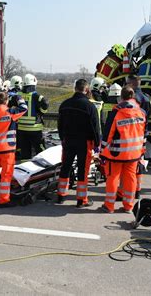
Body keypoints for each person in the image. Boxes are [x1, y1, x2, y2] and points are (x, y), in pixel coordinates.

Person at [100, 86, 146, 213]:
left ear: (121, 97)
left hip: (116, 152)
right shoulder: (141, 112)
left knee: (113, 177)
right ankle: (128, 206)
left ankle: (109, 206)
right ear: (133, 97)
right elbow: (144, 133)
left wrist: (102, 151)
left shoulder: (116, 112)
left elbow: (108, 133)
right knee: (130, 178)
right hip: (134, 153)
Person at [57, 79, 101, 207]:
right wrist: (97, 144)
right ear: (86, 90)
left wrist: (62, 138)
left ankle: (61, 196)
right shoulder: (90, 106)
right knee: (83, 170)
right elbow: (95, 127)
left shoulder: (65, 104)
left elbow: (59, 125)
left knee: (65, 167)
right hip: (84, 142)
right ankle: (81, 200)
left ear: (75, 88)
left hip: (68, 140)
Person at [0, 92, 27, 207]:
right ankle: (3, 200)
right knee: (6, 175)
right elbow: (24, 108)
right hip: (7, 149)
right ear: (6, 101)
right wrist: (18, 97)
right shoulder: (10, 112)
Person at [17, 73, 49, 162]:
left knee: (25, 152)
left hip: (21, 129)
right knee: (40, 151)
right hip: (35, 129)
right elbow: (45, 104)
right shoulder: (36, 96)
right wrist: (42, 112)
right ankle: (41, 171)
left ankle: (25, 172)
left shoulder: (18, 95)